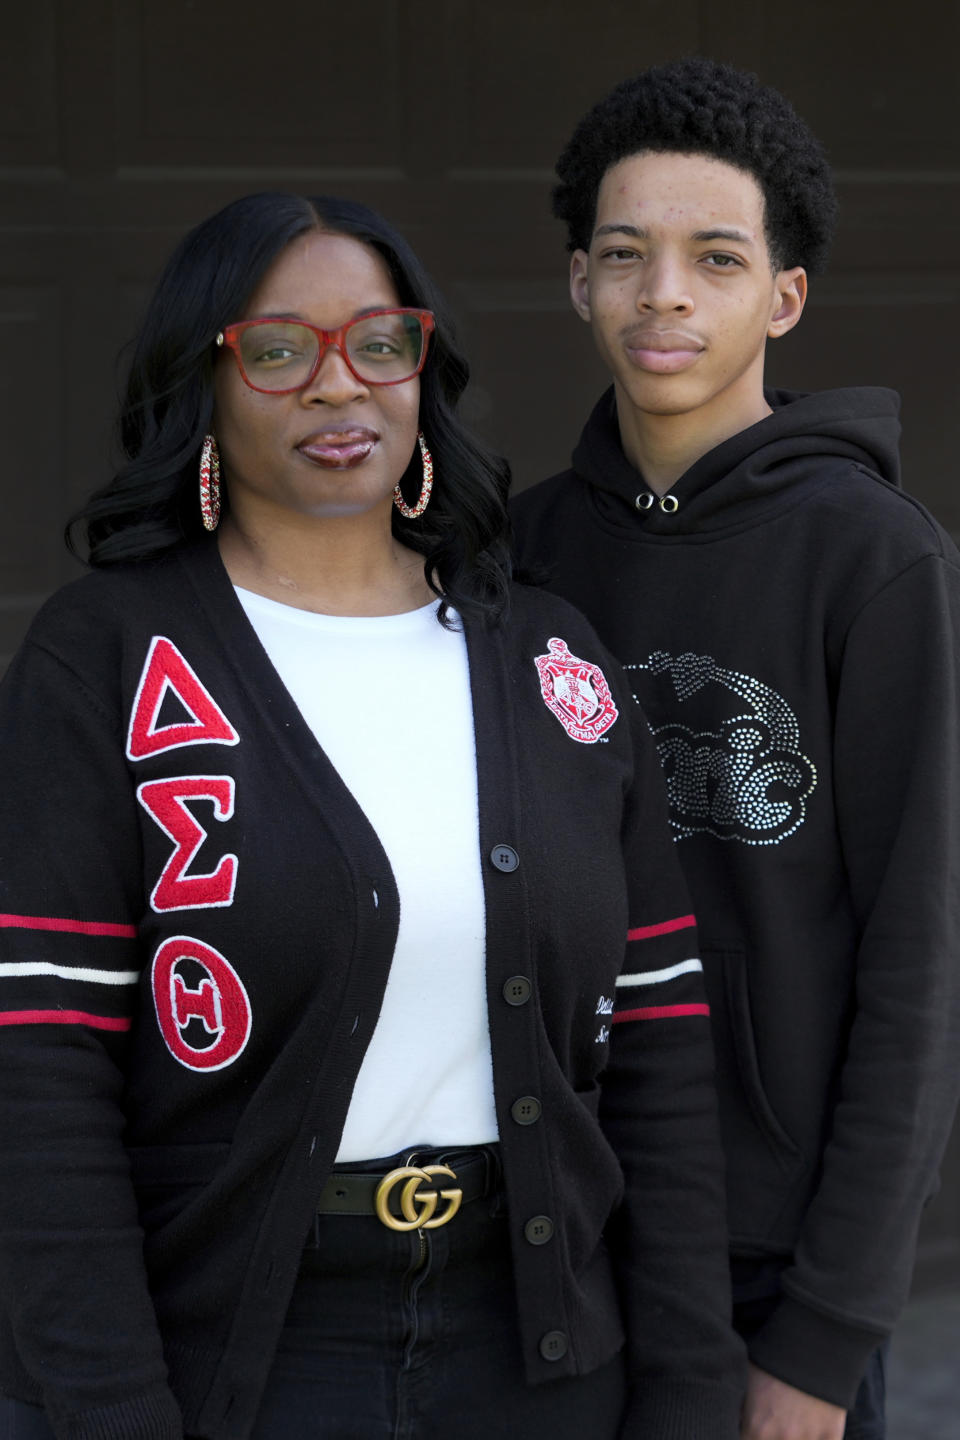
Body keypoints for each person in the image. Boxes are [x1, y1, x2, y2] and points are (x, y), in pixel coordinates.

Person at [0, 192, 744, 1440]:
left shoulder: (550, 662)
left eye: (379, 343)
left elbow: (660, 1046)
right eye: (280, 349)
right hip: (239, 1358)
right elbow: (38, 1063)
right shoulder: (105, 659)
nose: (339, 386)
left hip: (543, 1353)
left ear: (422, 371)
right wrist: (107, 1405)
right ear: (207, 383)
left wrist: (690, 1383)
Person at [511, 56, 960, 1440]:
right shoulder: (526, 556)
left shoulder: (873, 561)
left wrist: (828, 1338)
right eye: (627, 256)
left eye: (715, 259)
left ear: (784, 296)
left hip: (774, 1268)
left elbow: (918, 963)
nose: (666, 297)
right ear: (580, 280)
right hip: (564, 1237)